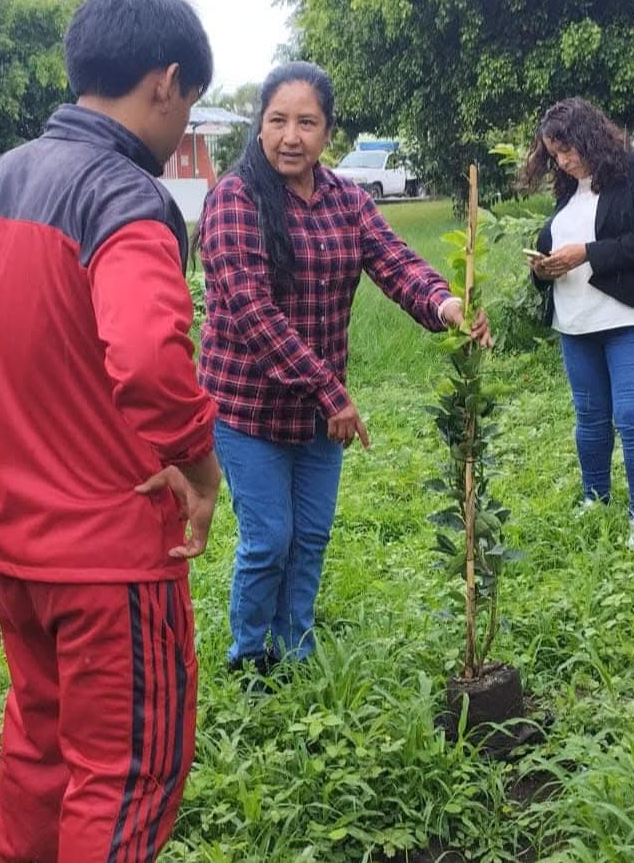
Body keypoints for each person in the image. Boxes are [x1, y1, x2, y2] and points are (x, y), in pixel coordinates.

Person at [0, 0, 220, 862]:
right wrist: (201, 465)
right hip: (112, 553)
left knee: (41, 747)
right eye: (188, 106)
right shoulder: (126, 197)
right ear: (167, 82)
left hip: (11, 539)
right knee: (125, 774)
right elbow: (151, 358)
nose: (182, 125)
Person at [197, 61, 491, 674]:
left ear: (326, 131)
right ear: (260, 125)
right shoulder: (234, 198)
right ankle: (250, 656)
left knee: (309, 538)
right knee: (268, 540)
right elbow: (253, 313)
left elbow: (395, 263)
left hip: (319, 411)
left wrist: (445, 303)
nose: (290, 136)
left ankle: (295, 646)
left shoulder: (345, 200)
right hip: (247, 407)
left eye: (306, 122)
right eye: (277, 120)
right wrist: (331, 392)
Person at [516, 99, 634, 554]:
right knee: (589, 419)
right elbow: (558, 245)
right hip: (577, 321)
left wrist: (588, 252)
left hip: (632, 317)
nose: (564, 161)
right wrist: (542, 269)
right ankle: (595, 498)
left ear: (591, 137)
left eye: (568, 150)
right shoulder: (571, 190)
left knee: (632, 417)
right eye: (555, 155)